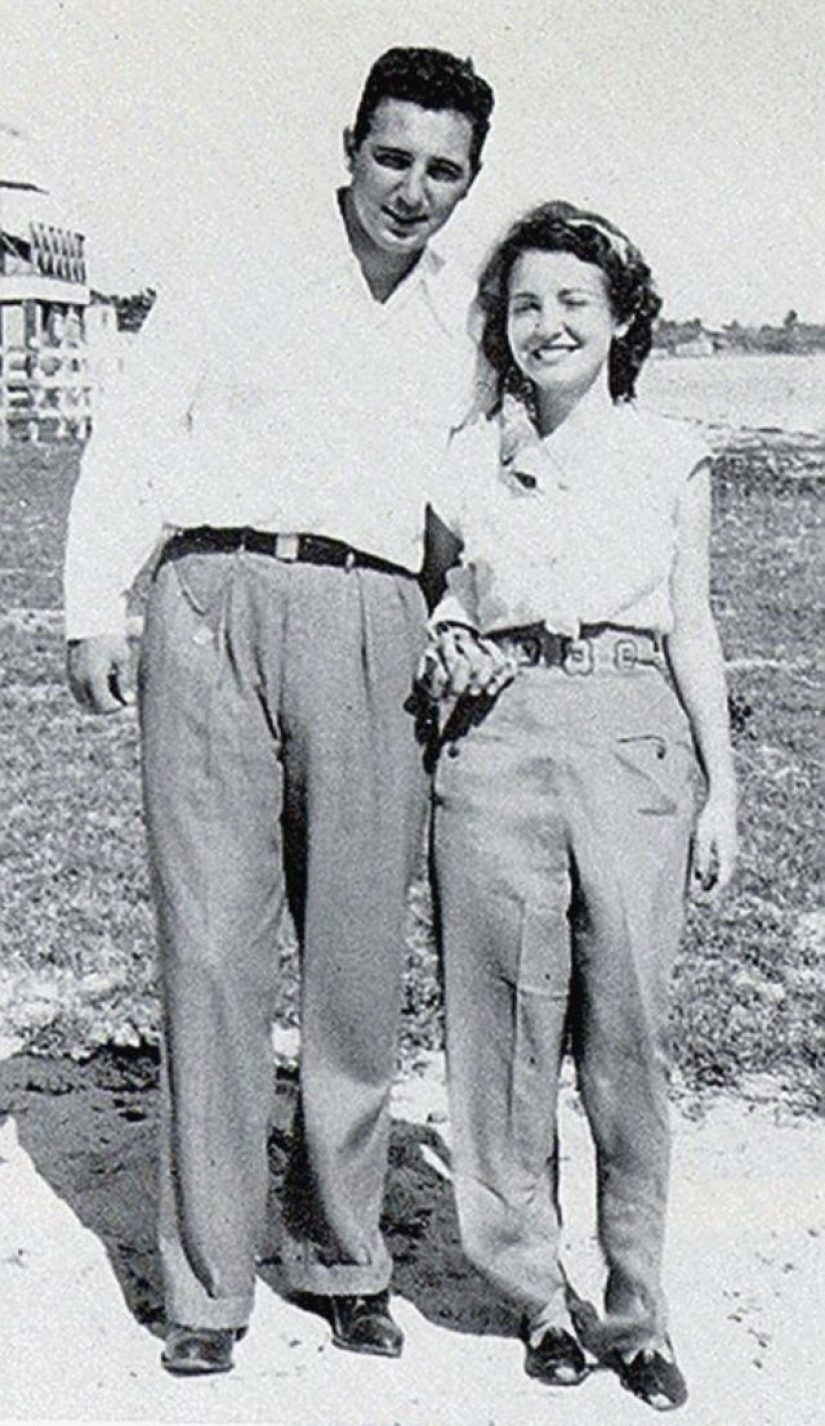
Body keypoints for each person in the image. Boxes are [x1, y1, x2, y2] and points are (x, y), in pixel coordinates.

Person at [64, 46, 494, 1376]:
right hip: (214, 603)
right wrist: (94, 603)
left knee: (354, 956)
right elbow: (139, 427)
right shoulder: (238, 262)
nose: (412, 189)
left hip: (377, 620)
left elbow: (476, 502)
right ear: (349, 146)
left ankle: (344, 1253)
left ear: (469, 181)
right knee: (211, 951)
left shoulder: (465, 322)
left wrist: (469, 615)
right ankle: (206, 1283)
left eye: (443, 171)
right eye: (392, 157)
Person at [423, 200, 738, 1411]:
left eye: (573, 301)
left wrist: (721, 789)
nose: (547, 324)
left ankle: (637, 1311)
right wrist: (453, 633)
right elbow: (442, 592)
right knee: (502, 1029)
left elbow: (693, 624)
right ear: (499, 327)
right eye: (524, 305)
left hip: (633, 732)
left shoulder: (671, 454)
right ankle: (537, 1298)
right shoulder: (465, 454)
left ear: (620, 319)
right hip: (496, 746)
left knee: (628, 1033)